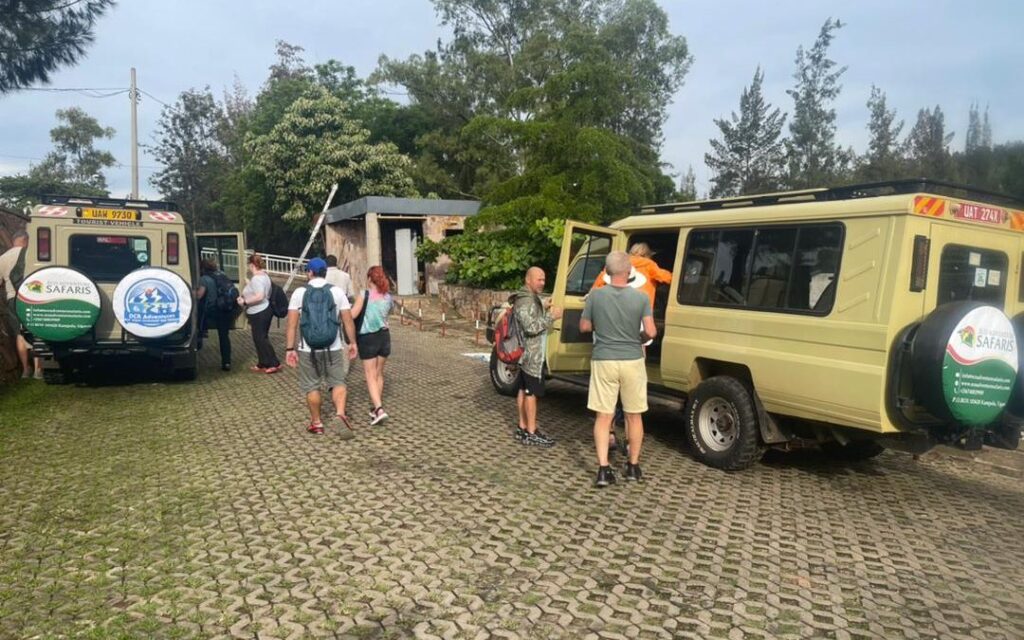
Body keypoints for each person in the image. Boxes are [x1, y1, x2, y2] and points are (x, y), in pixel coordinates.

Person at [580, 251, 657, 487]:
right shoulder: (641, 297)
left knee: (604, 416)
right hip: (632, 359)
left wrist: (602, 326)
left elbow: (584, 327)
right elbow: (651, 332)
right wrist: (638, 337)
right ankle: (633, 466)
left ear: (606, 271)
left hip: (604, 359)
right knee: (634, 415)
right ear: (629, 270)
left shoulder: (595, 295)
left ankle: (603, 469)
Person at [590, 242, 673, 447]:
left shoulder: (612, 267)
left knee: (607, 395)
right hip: (635, 335)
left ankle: (609, 434)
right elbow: (669, 278)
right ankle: (630, 442)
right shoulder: (650, 266)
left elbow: (594, 290)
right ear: (647, 254)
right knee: (632, 399)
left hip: (608, 338)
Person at [284, 257, 358, 435]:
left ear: (309, 272)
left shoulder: (299, 293)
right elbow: (348, 321)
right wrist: (352, 343)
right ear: (325, 272)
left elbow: (292, 325)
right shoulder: (337, 292)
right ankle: (340, 414)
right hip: (334, 346)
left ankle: (317, 423)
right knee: (338, 382)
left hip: (307, 349)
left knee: (312, 386)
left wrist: (289, 349)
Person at [511, 266, 562, 447]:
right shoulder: (526, 302)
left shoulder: (528, 298)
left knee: (523, 389)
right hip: (531, 356)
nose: (542, 283)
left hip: (526, 355)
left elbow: (530, 314)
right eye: (539, 279)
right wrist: (551, 317)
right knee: (531, 393)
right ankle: (531, 432)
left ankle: (522, 427)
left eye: (543, 279)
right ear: (528, 280)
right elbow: (531, 327)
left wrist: (542, 305)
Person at [350, 266, 395, 425]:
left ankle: (379, 409)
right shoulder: (388, 297)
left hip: (368, 337)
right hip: (385, 337)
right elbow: (389, 314)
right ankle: (376, 407)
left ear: (370, 279)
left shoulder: (365, 295)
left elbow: (352, 315)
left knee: (370, 375)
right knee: (379, 373)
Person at [0, 230, 41, 379]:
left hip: (13, 299)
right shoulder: (31, 254)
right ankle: (38, 370)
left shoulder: (3, 258)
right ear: (25, 240)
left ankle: (25, 369)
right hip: (33, 297)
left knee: (19, 334)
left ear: (14, 241)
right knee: (37, 331)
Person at [237, 254, 281, 373]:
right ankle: (263, 362)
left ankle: (274, 363)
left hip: (259, 311)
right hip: (264, 310)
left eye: (249, 265)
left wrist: (244, 301)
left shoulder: (257, 279)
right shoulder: (264, 275)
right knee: (259, 337)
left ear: (252, 265)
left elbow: (260, 296)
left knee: (261, 338)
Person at [196, 258, 233, 371]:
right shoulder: (222, 275)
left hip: (213, 310)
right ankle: (226, 362)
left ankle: (202, 333)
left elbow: (199, 295)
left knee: (198, 325)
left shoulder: (204, 279)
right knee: (224, 337)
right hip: (224, 309)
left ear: (202, 268)